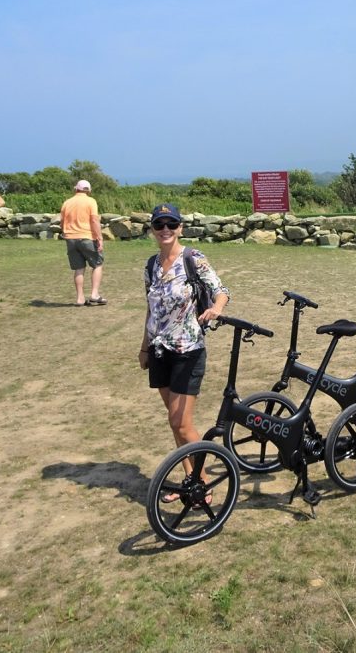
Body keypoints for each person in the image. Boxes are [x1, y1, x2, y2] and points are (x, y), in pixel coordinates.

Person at [138, 203, 229, 501]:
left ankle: (202, 481)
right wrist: (144, 347)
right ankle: (191, 477)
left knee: (181, 423)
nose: (165, 229)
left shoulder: (193, 258)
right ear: (152, 229)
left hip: (188, 350)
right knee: (174, 421)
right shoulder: (151, 265)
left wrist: (216, 309)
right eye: (159, 224)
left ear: (180, 228)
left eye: (171, 224)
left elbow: (220, 288)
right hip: (160, 351)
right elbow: (152, 310)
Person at [60, 179, 105, 306]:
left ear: (76, 189)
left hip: (70, 238)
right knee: (97, 264)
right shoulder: (91, 201)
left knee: (79, 268)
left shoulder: (67, 202)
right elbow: (94, 221)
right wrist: (100, 238)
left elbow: (62, 222)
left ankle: (80, 298)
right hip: (87, 237)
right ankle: (94, 294)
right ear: (88, 190)